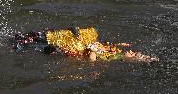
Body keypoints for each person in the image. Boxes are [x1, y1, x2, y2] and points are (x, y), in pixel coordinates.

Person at [12, 27, 159, 62]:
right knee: (67, 36)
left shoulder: (112, 58)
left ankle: (26, 44)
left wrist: (92, 51)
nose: (132, 52)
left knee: (55, 47)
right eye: (134, 51)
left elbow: (92, 58)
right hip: (82, 44)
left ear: (129, 60)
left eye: (133, 54)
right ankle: (33, 37)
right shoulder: (117, 50)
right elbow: (105, 45)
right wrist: (115, 43)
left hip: (77, 50)